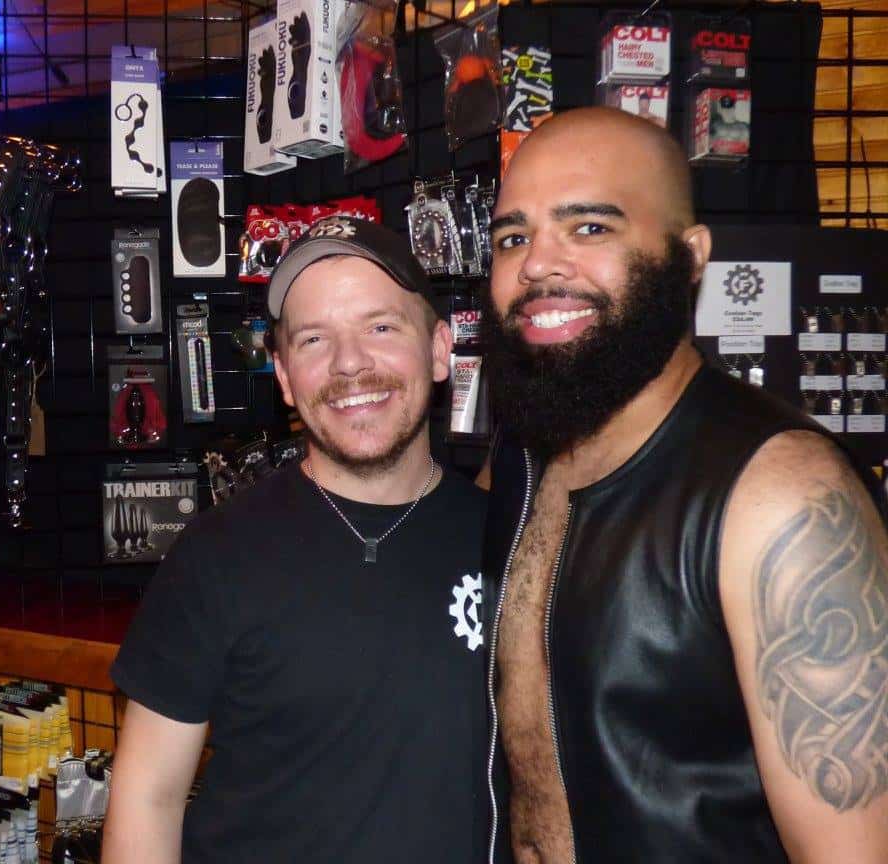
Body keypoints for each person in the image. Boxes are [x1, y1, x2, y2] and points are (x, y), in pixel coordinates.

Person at [480, 106, 888, 863]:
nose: (537, 264)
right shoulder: (524, 452)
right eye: (512, 237)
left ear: (690, 257)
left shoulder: (781, 498)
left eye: (589, 227)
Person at [102, 216, 493, 863]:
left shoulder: (504, 542)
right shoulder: (216, 556)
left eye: (380, 327)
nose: (349, 362)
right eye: (314, 339)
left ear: (438, 349)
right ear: (284, 376)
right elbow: (149, 796)